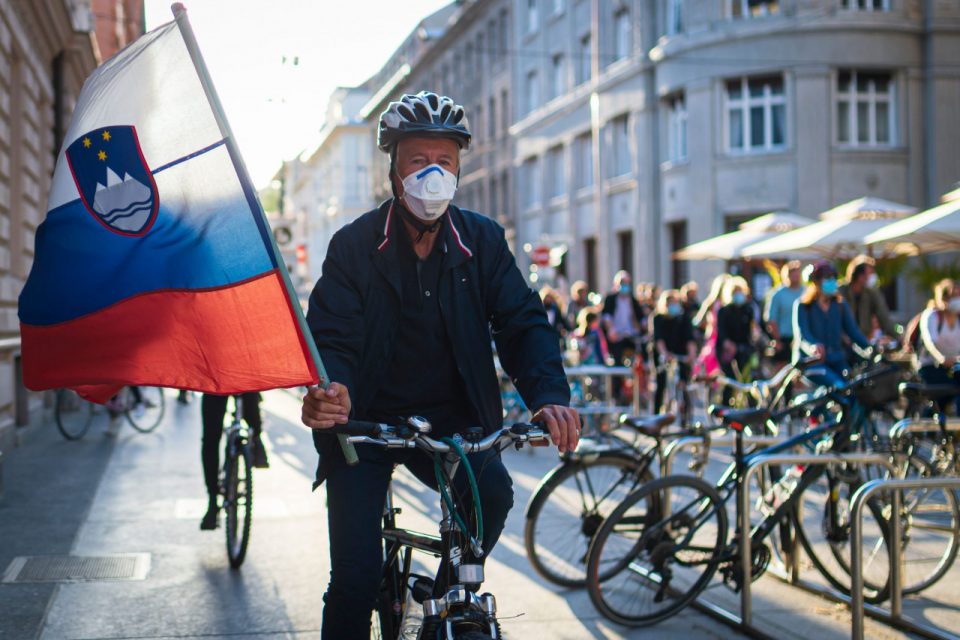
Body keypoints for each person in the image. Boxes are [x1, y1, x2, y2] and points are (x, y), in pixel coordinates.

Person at [299, 91, 579, 640]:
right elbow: (333, 335)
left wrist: (548, 394)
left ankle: (442, 593)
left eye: (444, 162)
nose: (432, 174)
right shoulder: (352, 246)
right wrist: (334, 390)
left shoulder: (483, 241)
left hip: (454, 423)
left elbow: (521, 322)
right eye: (417, 160)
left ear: (458, 169)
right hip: (366, 426)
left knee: (493, 497)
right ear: (393, 171)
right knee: (355, 580)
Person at [794, 261, 871, 388]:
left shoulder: (840, 305)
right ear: (816, 282)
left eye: (834, 278)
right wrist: (813, 347)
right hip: (813, 363)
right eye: (827, 278)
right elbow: (803, 336)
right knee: (838, 387)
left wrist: (870, 347)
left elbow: (853, 332)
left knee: (855, 390)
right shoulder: (803, 306)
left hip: (837, 359)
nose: (832, 281)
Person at [199, 391, 268, 530]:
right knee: (211, 438)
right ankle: (212, 500)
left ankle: (212, 502)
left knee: (210, 439)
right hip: (230, 377)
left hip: (225, 377)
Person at [917, 279, 960, 415]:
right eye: (954, 296)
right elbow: (930, 342)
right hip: (931, 368)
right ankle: (927, 425)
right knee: (940, 396)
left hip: (953, 368)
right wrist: (942, 358)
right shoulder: (932, 316)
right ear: (944, 298)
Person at [652, 290, 697, 414]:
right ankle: (656, 413)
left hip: (680, 354)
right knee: (661, 384)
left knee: (684, 382)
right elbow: (658, 339)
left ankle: (686, 414)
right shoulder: (658, 318)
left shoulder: (683, 319)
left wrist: (691, 355)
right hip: (664, 355)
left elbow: (689, 339)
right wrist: (664, 354)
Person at [839, 255, 898, 342]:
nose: (873, 277)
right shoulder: (841, 292)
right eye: (870, 273)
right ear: (860, 276)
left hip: (863, 339)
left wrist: (897, 336)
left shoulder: (871, 293)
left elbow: (883, 316)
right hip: (844, 341)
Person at [716, 276, 755, 405]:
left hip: (743, 347)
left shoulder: (748, 309)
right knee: (730, 379)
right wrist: (728, 344)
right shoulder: (724, 311)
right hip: (726, 349)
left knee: (748, 378)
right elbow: (721, 332)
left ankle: (751, 408)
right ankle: (724, 407)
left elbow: (751, 331)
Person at [601, 270, 645, 366]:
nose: (625, 285)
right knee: (617, 361)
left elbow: (641, 318)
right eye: (622, 282)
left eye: (627, 283)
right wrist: (611, 330)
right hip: (616, 336)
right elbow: (606, 317)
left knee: (638, 359)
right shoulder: (610, 299)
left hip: (631, 335)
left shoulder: (632, 300)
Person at [764, 261, 803, 367]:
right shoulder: (778, 294)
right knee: (782, 370)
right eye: (792, 272)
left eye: (797, 272)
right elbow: (772, 320)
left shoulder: (806, 292)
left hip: (802, 340)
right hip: (784, 339)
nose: (795, 275)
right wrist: (778, 340)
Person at [540, 285, 572, 353]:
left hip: (553, 335)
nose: (548, 299)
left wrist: (569, 329)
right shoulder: (540, 309)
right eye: (547, 297)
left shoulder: (555, 309)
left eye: (550, 297)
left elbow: (561, 320)